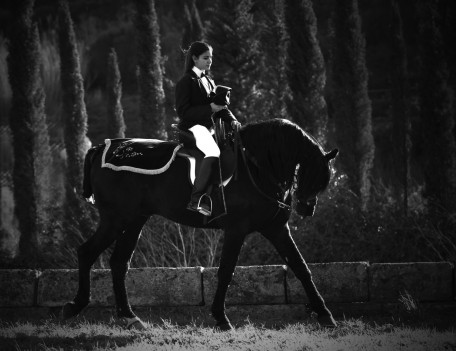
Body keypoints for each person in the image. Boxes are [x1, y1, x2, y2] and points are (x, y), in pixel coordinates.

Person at [175, 41, 240, 216]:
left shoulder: (209, 80)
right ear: (194, 58)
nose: (209, 61)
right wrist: (209, 109)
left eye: (211, 57)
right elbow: (183, 112)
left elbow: (220, 106)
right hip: (192, 128)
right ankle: (195, 199)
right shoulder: (185, 82)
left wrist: (233, 121)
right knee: (213, 151)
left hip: (210, 129)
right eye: (205, 58)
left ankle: (219, 192)